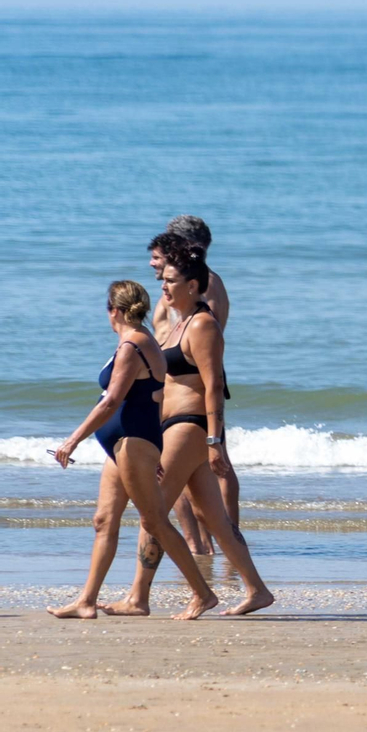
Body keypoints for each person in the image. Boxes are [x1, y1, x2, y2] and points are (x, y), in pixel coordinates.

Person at [101, 248, 275, 617]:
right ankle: (257, 590)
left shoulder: (202, 325)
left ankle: (140, 596)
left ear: (193, 285)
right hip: (170, 427)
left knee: (153, 513)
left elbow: (213, 386)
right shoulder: (178, 323)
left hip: (191, 426)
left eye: (170, 280)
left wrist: (215, 441)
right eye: (162, 279)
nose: (162, 285)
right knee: (214, 519)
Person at [47, 281, 218, 621]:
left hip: (131, 442)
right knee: (103, 521)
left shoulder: (133, 345)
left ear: (114, 310)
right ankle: (86, 600)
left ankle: (203, 594)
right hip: (128, 444)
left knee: (154, 520)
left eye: (107, 309)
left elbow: (111, 401)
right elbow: (157, 398)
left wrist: (73, 440)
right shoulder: (138, 342)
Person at [149, 221, 236, 555]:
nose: (155, 261)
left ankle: (215, 543)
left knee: (219, 466)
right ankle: (203, 544)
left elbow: (206, 343)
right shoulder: (175, 288)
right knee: (190, 479)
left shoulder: (205, 285)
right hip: (172, 395)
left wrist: (213, 434)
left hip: (195, 397)